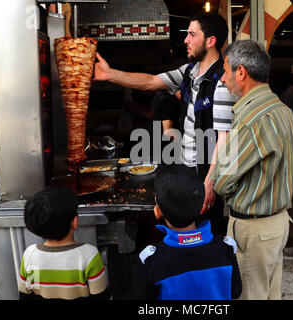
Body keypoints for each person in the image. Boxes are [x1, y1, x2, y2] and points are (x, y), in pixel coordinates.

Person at [94, 12, 238, 235]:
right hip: (186, 171)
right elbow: (151, 82)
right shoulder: (190, 72)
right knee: (183, 234)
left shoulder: (222, 81)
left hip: (206, 176)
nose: (185, 40)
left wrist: (209, 184)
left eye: (192, 35)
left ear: (211, 41)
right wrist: (110, 74)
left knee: (204, 234)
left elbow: (224, 140)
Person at [211, 40, 293, 300]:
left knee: (250, 295)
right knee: (270, 293)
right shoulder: (283, 110)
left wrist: (232, 187)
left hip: (255, 230)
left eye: (226, 71)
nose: (224, 79)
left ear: (241, 73)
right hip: (278, 223)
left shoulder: (251, 118)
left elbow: (222, 181)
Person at [130, 164, 242, 300]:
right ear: (202, 206)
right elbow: (235, 291)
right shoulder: (226, 248)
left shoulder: (151, 261)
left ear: (157, 211)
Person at [19, 186, 110, 300]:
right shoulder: (89, 255)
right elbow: (101, 297)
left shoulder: (30, 255)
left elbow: (26, 296)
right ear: (75, 222)